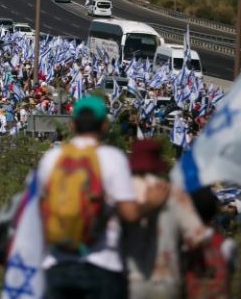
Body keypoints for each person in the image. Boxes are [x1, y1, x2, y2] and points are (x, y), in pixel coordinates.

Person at [38, 95, 171, 299]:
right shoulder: (112, 158)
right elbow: (130, 214)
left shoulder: (52, 159)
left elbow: (40, 210)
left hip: (57, 263)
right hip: (102, 265)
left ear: (72, 125)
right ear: (105, 125)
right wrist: (151, 203)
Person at [121, 140, 210, 299]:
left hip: (128, 279)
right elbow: (198, 238)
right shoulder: (174, 194)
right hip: (166, 280)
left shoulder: (122, 193)